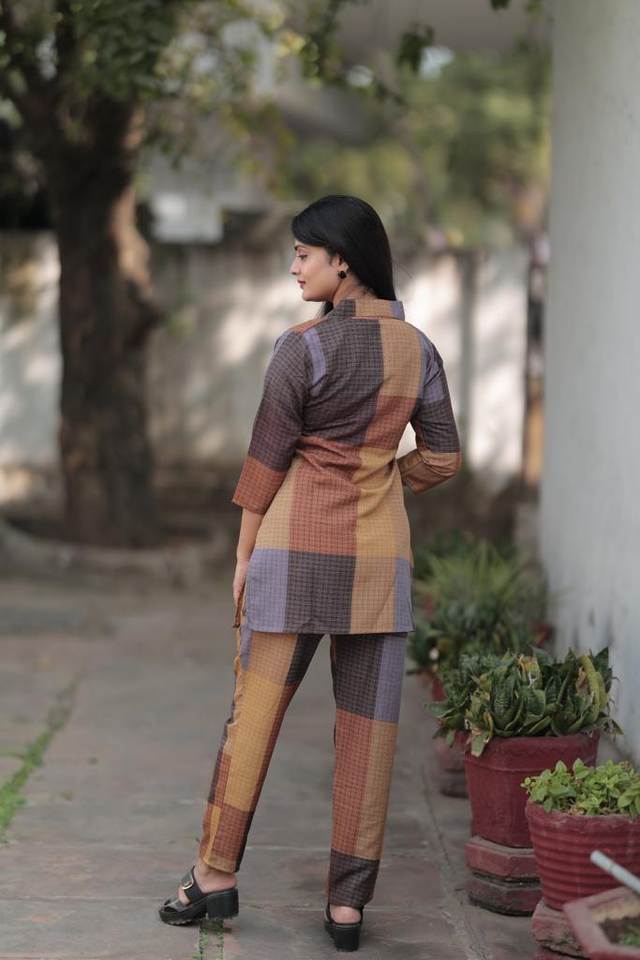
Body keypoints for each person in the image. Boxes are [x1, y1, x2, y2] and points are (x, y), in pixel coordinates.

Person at [159, 194, 462, 951]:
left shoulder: (301, 347)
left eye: (303, 253)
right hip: (379, 563)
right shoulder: (419, 349)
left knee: (254, 717)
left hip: (291, 555)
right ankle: (347, 908)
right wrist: (385, 478)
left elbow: (266, 461)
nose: (294, 266)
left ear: (343, 261)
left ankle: (214, 876)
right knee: (369, 734)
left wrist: (242, 556)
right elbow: (443, 456)